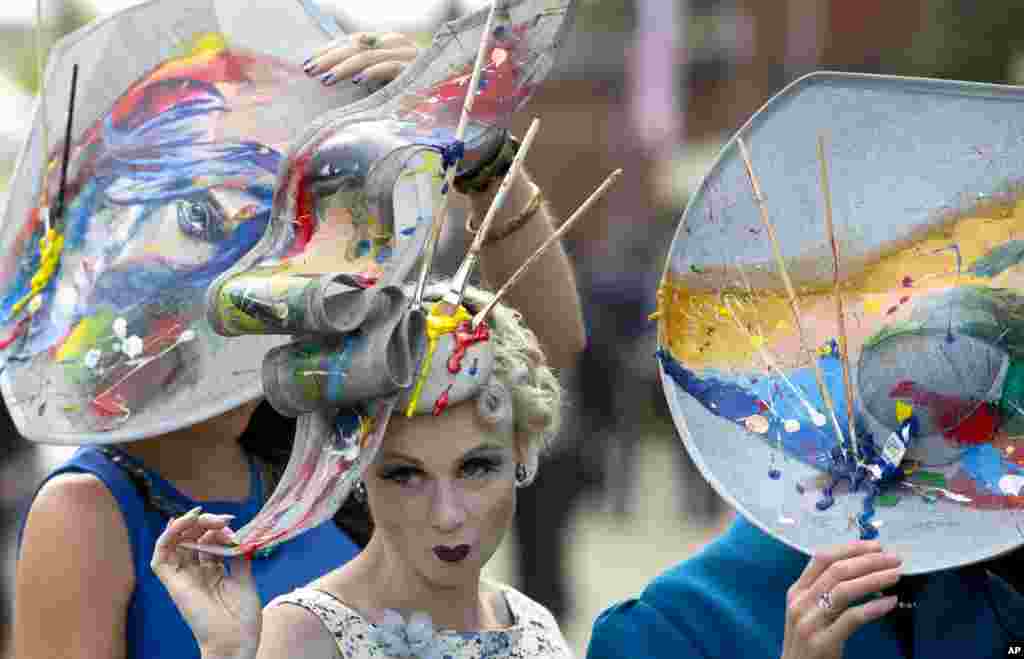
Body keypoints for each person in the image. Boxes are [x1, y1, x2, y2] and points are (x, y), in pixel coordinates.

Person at [12, 22, 584, 659]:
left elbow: (546, 349)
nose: (266, 285)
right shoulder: (89, 514)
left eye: (280, 241)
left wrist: (481, 158)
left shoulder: (325, 437)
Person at [152, 284, 575, 659]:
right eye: (405, 475)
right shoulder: (305, 639)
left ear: (521, 450)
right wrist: (228, 654)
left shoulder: (535, 629)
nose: (447, 515)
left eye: (476, 467)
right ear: (353, 468)